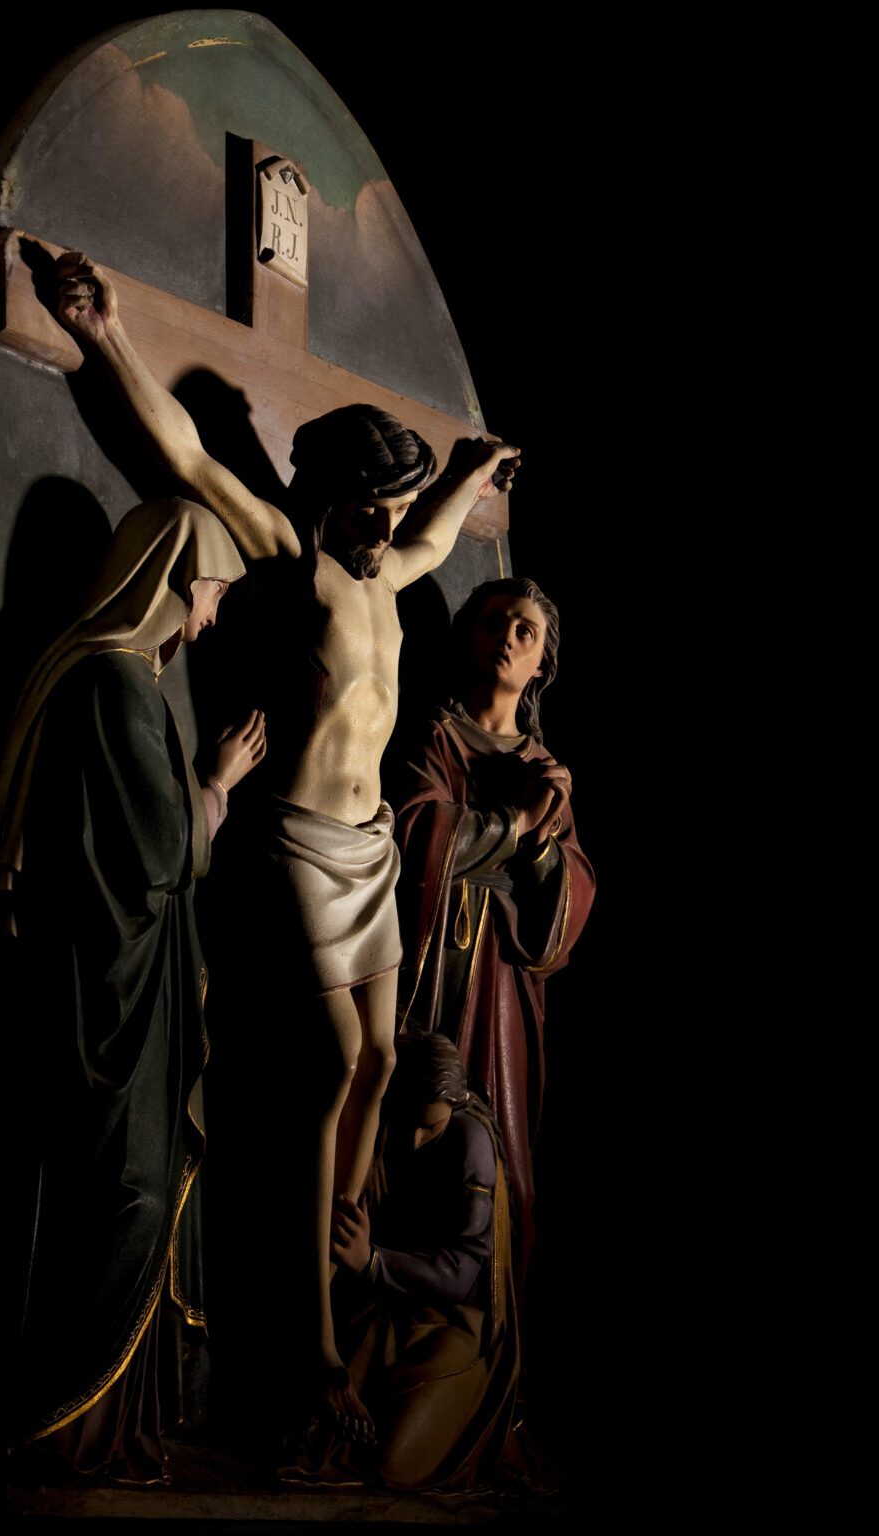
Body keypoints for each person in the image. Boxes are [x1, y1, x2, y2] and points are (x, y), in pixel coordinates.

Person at [53, 252, 520, 1437]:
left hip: (368, 852)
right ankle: (308, 1341)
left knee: (378, 1062)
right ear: (330, 494)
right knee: (330, 1069)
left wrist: (466, 475)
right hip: (298, 844)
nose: (386, 524)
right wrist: (106, 334)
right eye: (371, 504)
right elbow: (189, 459)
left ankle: (337, 1274)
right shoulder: (287, 556)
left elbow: (435, 539)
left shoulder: (388, 571)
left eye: (394, 505)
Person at [0, 498, 265, 1484]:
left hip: (115, 978)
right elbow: (160, 853)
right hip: (110, 996)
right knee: (127, 1193)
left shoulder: (119, 680)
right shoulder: (117, 685)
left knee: (124, 1191)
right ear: (170, 580)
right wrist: (217, 786)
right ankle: (68, 1421)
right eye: (212, 590)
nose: (213, 612)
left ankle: (109, 1425)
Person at [395, 578, 595, 1298]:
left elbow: (570, 905)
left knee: (500, 1157)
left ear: (542, 664)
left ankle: (485, 1333)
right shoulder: (435, 739)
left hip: (501, 993)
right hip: (427, 975)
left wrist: (538, 851)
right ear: (469, 636)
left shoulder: (543, 771)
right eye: (494, 622)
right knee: (405, 1146)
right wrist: (517, 824)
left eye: (525, 631)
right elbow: (412, 834)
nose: (507, 638)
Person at [318, 1030, 518, 1492]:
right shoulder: (378, 1122)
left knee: (395, 1460)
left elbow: (462, 1271)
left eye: (430, 1127)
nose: (413, 1139)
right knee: (324, 1427)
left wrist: (373, 1262)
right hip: (392, 1309)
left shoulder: (471, 1142)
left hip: (457, 1322)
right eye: (408, 1120)